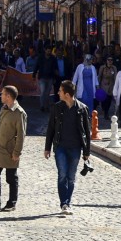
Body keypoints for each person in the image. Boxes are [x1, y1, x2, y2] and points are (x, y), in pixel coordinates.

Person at [44, 80, 92, 215]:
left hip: (76, 148)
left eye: (60, 90)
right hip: (60, 147)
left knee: (71, 177)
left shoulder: (82, 109)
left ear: (66, 94)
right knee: (62, 175)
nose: (58, 93)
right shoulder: (56, 107)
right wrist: (47, 147)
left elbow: (87, 133)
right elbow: (51, 129)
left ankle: (68, 202)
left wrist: (87, 151)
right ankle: (64, 203)